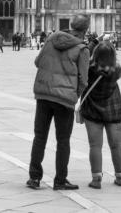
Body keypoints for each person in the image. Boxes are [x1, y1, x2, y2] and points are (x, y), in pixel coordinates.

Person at [27, 14, 90, 191]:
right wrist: (75, 95)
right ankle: (60, 180)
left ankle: (34, 178)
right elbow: (84, 79)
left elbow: (37, 61)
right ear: (85, 30)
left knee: (39, 137)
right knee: (63, 140)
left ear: (71, 25)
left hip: (43, 94)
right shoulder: (82, 49)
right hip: (64, 99)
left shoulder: (51, 39)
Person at [80, 42, 121, 189]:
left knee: (95, 145)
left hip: (93, 110)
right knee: (116, 145)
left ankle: (96, 179)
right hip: (114, 109)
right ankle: (120, 176)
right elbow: (114, 67)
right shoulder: (117, 70)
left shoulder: (89, 69)